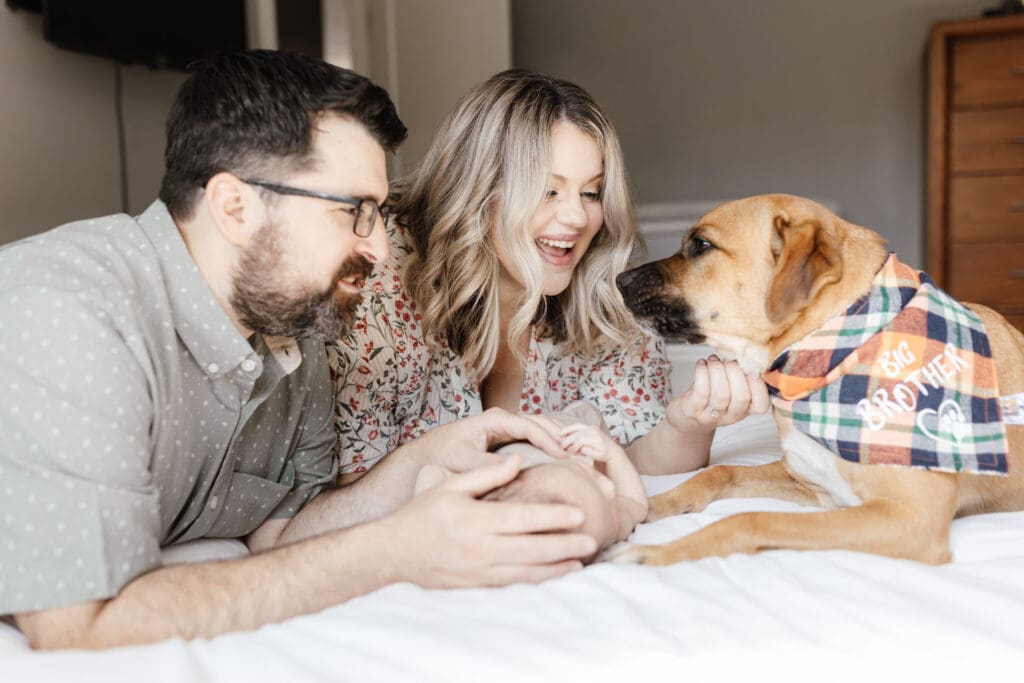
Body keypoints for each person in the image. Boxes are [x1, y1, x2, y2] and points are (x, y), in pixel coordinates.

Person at [0, 51, 598, 650]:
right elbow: (80, 623)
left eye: (378, 212)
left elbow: (284, 538)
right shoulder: (70, 314)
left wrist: (421, 460)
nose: (382, 251)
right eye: (354, 212)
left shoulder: (293, 329)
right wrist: (391, 553)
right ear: (236, 207)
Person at [327, 69, 770, 482]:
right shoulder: (376, 280)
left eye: (592, 192)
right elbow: (352, 491)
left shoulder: (605, 299)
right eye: (547, 190)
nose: (577, 216)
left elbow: (631, 461)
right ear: (478, 189)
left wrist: (687, 424)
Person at [416, 402, 648, 561]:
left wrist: (429, 507)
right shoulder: (603, 526)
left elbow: (431, 470)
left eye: (591, 477)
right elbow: (635, 504)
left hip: (523, 437)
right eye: (610, 509)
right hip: (574, 433)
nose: (609, 488)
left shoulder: (485, 493)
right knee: (587, 412)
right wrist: (614, 455)